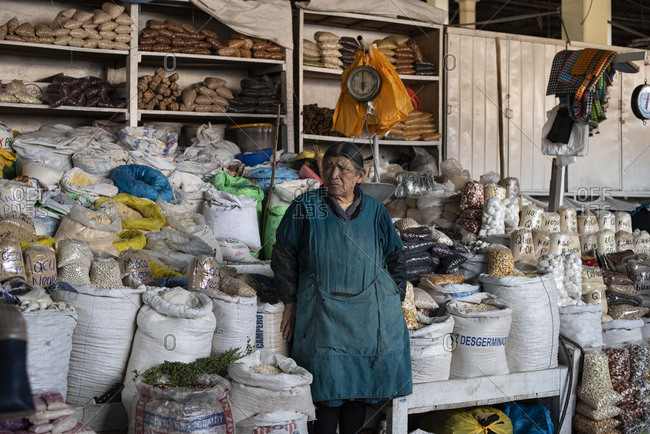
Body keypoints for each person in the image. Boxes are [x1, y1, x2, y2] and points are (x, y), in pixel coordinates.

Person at [271, 142, 411, 434]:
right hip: (321, 313)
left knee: (357, 389)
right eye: (329, 167)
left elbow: (396, 259)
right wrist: (290, 301)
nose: (334, 174)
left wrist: (391, 301)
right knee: (324, 388)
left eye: (343, 168)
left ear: (361, 175)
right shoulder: (305, 207)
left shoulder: (375, 211)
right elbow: (283, 253)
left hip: (366, 317)